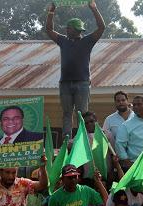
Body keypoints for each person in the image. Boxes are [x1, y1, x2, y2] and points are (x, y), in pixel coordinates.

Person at [46, 0, 105, 138]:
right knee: (67, 113)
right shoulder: (63, 41)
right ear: (68, 29)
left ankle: (81, 139)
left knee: (82, 114)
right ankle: (67, 139)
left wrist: (94, 9)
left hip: (82, 83)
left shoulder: (87, 41)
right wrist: (51, 12)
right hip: (65, 83)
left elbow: (102, 27)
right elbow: (49, 30)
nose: (79, 32)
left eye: (80, 30)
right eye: (75, 29)